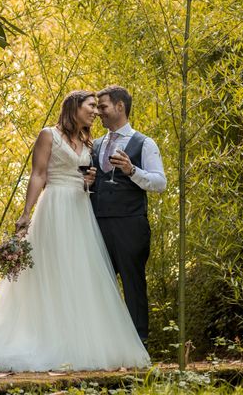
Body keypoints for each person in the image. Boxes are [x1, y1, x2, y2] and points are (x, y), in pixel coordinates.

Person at [0, 90, 150, 373]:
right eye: (91, 106)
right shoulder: (48, 135)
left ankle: (78, 342)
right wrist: (25, 213)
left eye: (97, 107)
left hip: (81, 210)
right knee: (51, 272)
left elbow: (86, 177)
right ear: (74, 107)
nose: (96, 112)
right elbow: (38, 174)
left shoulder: (87, 141)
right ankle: (45, 338)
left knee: (80, 274)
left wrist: (88, 181)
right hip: (55, 207)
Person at [90, 85, 166, 347]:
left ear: (120, 107)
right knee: (99, 285)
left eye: (103, 107)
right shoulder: (96, 144)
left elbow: (160, 183)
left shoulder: (144, 143)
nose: (99, 112)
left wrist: (132, 170)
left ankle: (139, 345)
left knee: (133, 284)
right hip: (97, 224)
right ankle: (104, 345)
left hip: (130, 225)